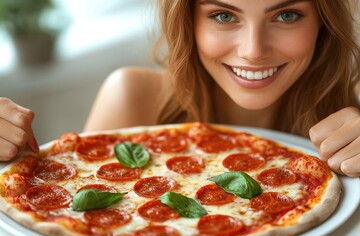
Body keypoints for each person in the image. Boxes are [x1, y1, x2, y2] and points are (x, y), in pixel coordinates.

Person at [1, 0, 359, 177]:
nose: (253, 50)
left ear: (323, 24)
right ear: (188, 22)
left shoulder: (352, 125)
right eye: (223, 15)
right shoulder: (132, 96)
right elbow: (76, 213)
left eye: (286, 15)